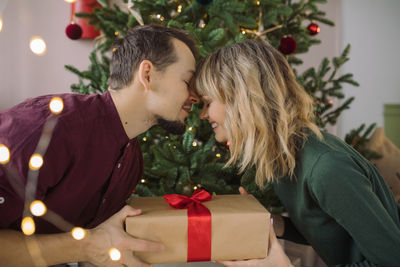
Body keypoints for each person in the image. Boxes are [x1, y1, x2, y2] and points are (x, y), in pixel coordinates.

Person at [0, 24, 199, 266]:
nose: (195, 96)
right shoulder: (49, 129)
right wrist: (88, 246)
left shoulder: (132, 162)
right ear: (147, 75)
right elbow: (88, 245)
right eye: (187, 81)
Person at [195, 39, 400, 266]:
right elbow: (327, 227)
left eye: (207, 102)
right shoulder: (284, 156)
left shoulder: (326, 168)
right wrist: (269, 222)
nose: (203, 115)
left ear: (240, 99)